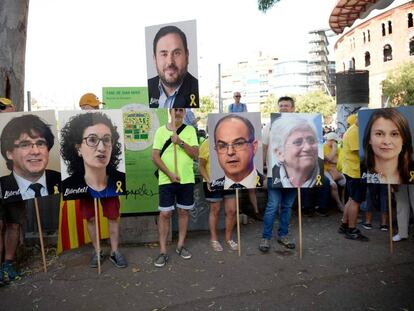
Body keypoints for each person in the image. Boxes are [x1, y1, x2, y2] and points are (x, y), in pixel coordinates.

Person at [60, 108, 127, 268]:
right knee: (90, 218)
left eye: (106, 139)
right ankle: (97, 251)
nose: (101, 148)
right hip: (85, 192)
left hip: (109, 190)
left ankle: (115, 252)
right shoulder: (72, 184)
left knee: (112, 216)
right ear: (78, 148)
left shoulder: (118, 180)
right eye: (92, 140)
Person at [152, 108, 199, 267]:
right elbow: (155, 156)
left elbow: (195, 154)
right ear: (169, 111)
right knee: (165, 213)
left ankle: (180, 245)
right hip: (166, 180)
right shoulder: (160, 131)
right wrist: (169, 174)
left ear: (184, 113)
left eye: (180, 110)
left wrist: (179, 141)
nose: (177, 113)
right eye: (175, 110)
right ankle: (163, 251)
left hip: (186, 180)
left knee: (183, 211)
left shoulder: (190, 130)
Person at [259, 96, 297, 252]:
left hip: (294, 174)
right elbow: (264, 147)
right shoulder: (270, 125)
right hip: (274, 174)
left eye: (286, 105)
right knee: (272, 206)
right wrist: (262, 169)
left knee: (287, 207)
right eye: (281, 105)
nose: (283, 108)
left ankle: (283, 235)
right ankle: (266, 238)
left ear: (293, 108)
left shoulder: (299, 124)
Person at [0, 114, 61, 202]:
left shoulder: (65, 182)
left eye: (40, 144)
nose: (35, 151)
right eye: (25, 145)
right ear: (9, 153)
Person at [0, 98, 26, 283]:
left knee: (14, 224)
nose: (2, 112)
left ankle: (7, 264)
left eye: (4, 108)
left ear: (12, 109)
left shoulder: (20, 130)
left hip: (15, 183)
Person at [199, 137, 238, 251]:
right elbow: (201, 165)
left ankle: (228, 238)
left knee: (232, 210)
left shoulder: (232, 142)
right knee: (215, 210)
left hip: (230, 179)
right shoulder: (206, 144)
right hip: (214, 181)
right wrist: (207, 179)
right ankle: (214, 239)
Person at [148, 25, 199, 109]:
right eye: (164, 54)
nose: (170, 62)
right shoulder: (145, 88)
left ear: (187, 56)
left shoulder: (197, 91)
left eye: (176, 53)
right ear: (154, 59)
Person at [210, 114, 264, 191]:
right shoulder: (215, 185)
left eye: (238, 143)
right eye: (222, 146)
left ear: (254, 147)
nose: (230, 152)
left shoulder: (263, 182)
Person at [361, 108, 414, 184]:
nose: (387, 142)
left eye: (394, 134)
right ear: (369, 139)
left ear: (404, 140)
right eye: (379, 134)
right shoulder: (360, 173)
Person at [338, 111, 368, 241]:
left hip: (351, 170)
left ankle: (344, 224)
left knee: (351, 199)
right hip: (355, 171)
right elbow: (360, 154)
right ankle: (352, 229)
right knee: (356, 201)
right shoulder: (355, 132)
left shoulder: (352, 130)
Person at [271, 114, 322, 188]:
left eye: (311, 140)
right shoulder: (273, 180)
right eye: (298, 142)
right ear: (279, 153)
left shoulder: (326, 180)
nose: (307, 148)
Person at [323, 132, 346, 211]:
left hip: (336, 170)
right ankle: (339, 203)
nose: (336, 143)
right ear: (331, 140)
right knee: (333, 185)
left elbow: (340, 160)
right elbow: (328, 159)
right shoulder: (323, 147)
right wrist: (334, 149)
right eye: (335, 141)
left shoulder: (338, 148)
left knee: (344, 183)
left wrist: (332, 160)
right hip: (325, 170)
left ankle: (343, 201)